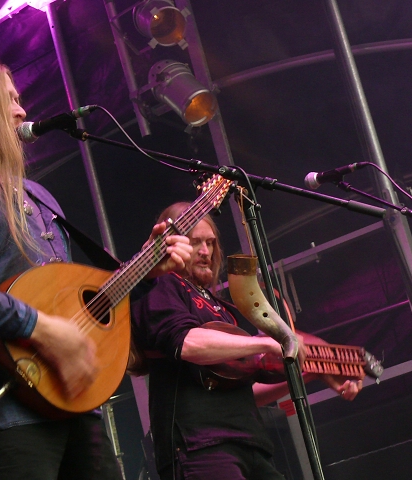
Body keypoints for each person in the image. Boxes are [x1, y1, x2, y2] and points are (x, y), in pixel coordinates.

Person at [0, 57, 192, 480]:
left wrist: (145, 269)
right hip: (1, 418)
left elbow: (73, 302)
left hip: (72, 406)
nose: (22, 111)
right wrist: (39, 327)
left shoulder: (39, 196)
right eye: (9, 100)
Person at [130, 202, 363, 480]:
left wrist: (313, 371)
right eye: (195, 243)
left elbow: (243, 389)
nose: (205, 252)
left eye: (211, 243)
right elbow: (187, 342)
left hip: (248, 443)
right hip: (200, 445)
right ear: (174, 243)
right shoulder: (162, 286)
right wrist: (264, 344)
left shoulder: (221, 308)